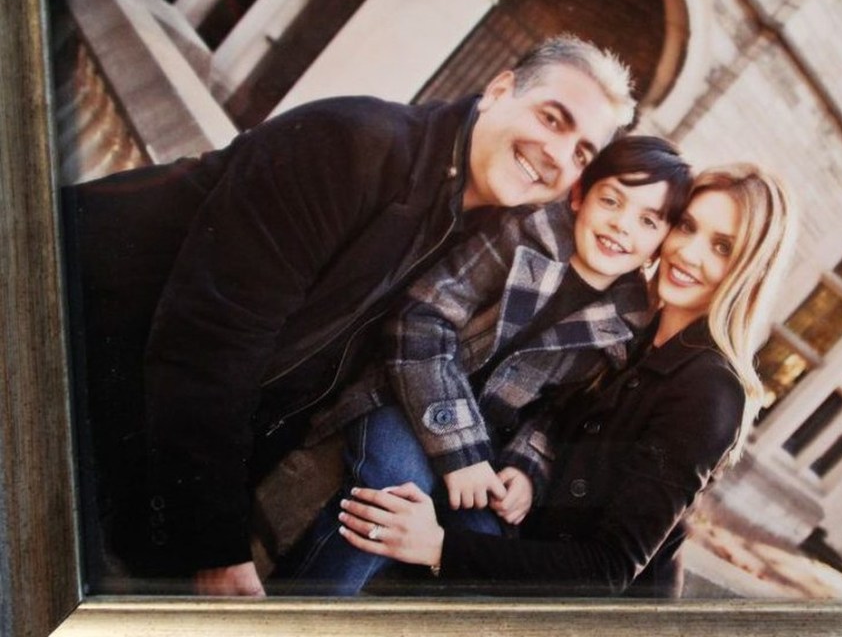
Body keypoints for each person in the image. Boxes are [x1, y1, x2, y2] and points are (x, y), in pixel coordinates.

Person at [61, 34, 635, 596]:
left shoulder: (483, 239)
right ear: (499, 89)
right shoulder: (352, 145)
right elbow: (212, 338)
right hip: (68, 356)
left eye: (582, 152)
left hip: (149, 437)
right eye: (553, 119)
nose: (559, 155)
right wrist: (214, 543)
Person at [333, 162, 796, 597]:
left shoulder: (711, 392)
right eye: (688, 226)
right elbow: (552, 412)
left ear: (748, 271)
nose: (688, 253)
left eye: (722, 247)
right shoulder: (633, 328)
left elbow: (607, 570)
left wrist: (438, 548)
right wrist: (528, 469)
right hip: (514, 550)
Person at [278, 136, 691, 595]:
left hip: (488, 449)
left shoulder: (626, 321)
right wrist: (459, 448)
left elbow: (558, 411)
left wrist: (527, 467)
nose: (621, 225)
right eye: (611, 200)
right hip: (406, 396)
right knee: (399, 487)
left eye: (648, 220)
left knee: (485, 542)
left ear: (660, 243)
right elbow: (422, 318)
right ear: (579, 196)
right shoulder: (522, 235)